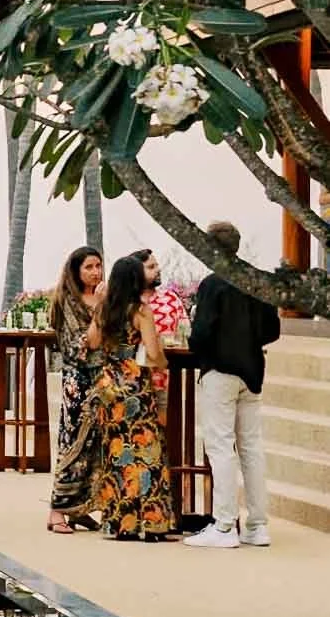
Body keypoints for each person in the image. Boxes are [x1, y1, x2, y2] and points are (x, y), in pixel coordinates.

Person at [184, 219, 281, 551]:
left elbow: (201, 334)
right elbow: (272, 331)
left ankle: (225, 524)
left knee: (221, 446)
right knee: (251, 448)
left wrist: (196, 344)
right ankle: (258, 525)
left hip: (220, 371)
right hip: (252, 372)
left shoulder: (213, 284)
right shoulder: (258, 281)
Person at [84, 251, 175, 542]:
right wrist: (163, 363)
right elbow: (152, 351)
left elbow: (92, 342)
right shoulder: (141, 311)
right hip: (135, 382)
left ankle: (120, 522)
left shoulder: (105, 309)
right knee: (147, 453)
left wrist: (98, 309)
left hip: (109, 385)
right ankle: (151, 523)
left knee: (117, 453)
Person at [46, 244, 106, 534]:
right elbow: (83, 344)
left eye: (98, 266)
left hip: (103, 379)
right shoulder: (69, 301)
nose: (95, 272)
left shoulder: (103, 299)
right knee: (73, 444)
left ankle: (80, 509)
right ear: (76, 271)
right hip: (79, 381)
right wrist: (100, 310)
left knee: (96, 447)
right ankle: (57, 510)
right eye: (89, 267)